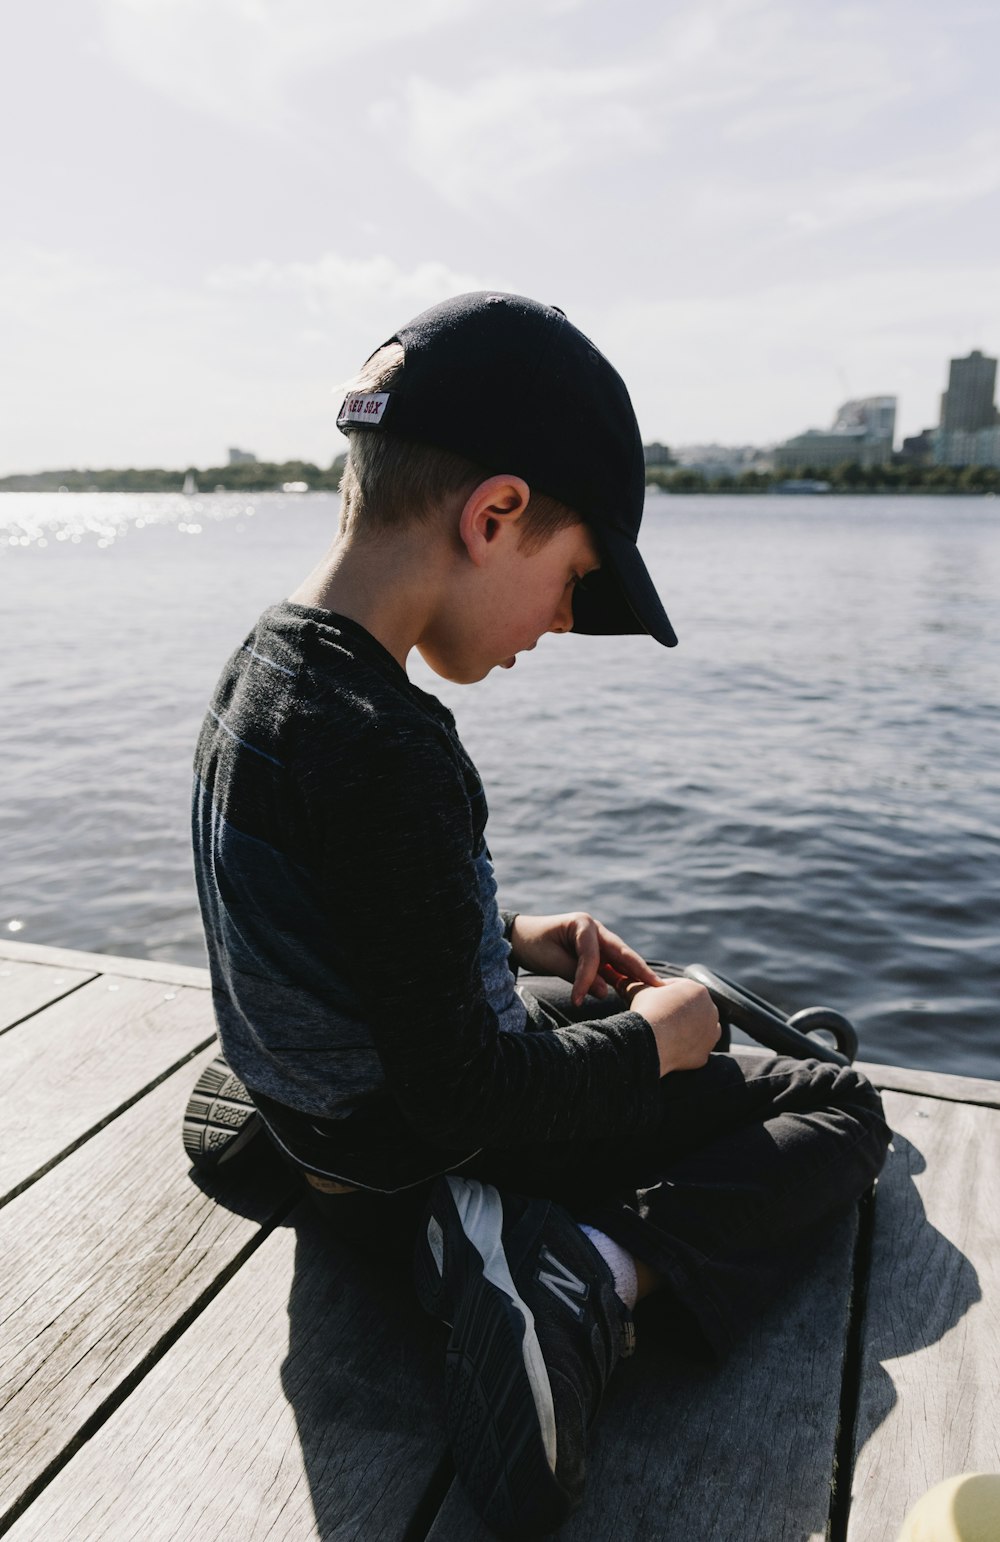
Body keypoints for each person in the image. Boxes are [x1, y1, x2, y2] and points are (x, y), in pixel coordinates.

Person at [186, 291, 890, 1538]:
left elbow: (332, 899)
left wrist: (510, 937)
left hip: (303, 1131)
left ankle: (473, 1225)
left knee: (604, 998)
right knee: (832, 1105)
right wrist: (659, 1046)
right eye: (572, 580)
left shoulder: (268, 669)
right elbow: (472, 1096)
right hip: (418, 1134)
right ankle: (583, 1275)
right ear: (495, 513)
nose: (564, 620)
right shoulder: (391, 749)